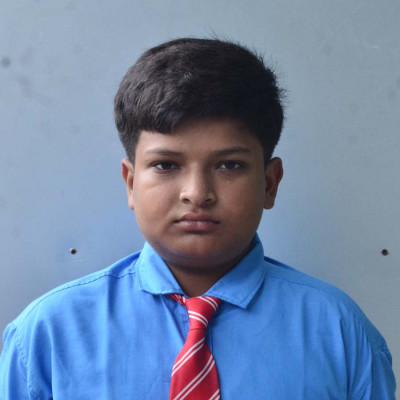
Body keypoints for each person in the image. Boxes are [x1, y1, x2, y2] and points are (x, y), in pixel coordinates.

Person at [0, 38, 396, 399]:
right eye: (166, 164)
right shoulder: (48, 334)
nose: (196, 192)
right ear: (131, 183)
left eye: (229, 165)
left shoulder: (340, 331)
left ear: (270, 183)